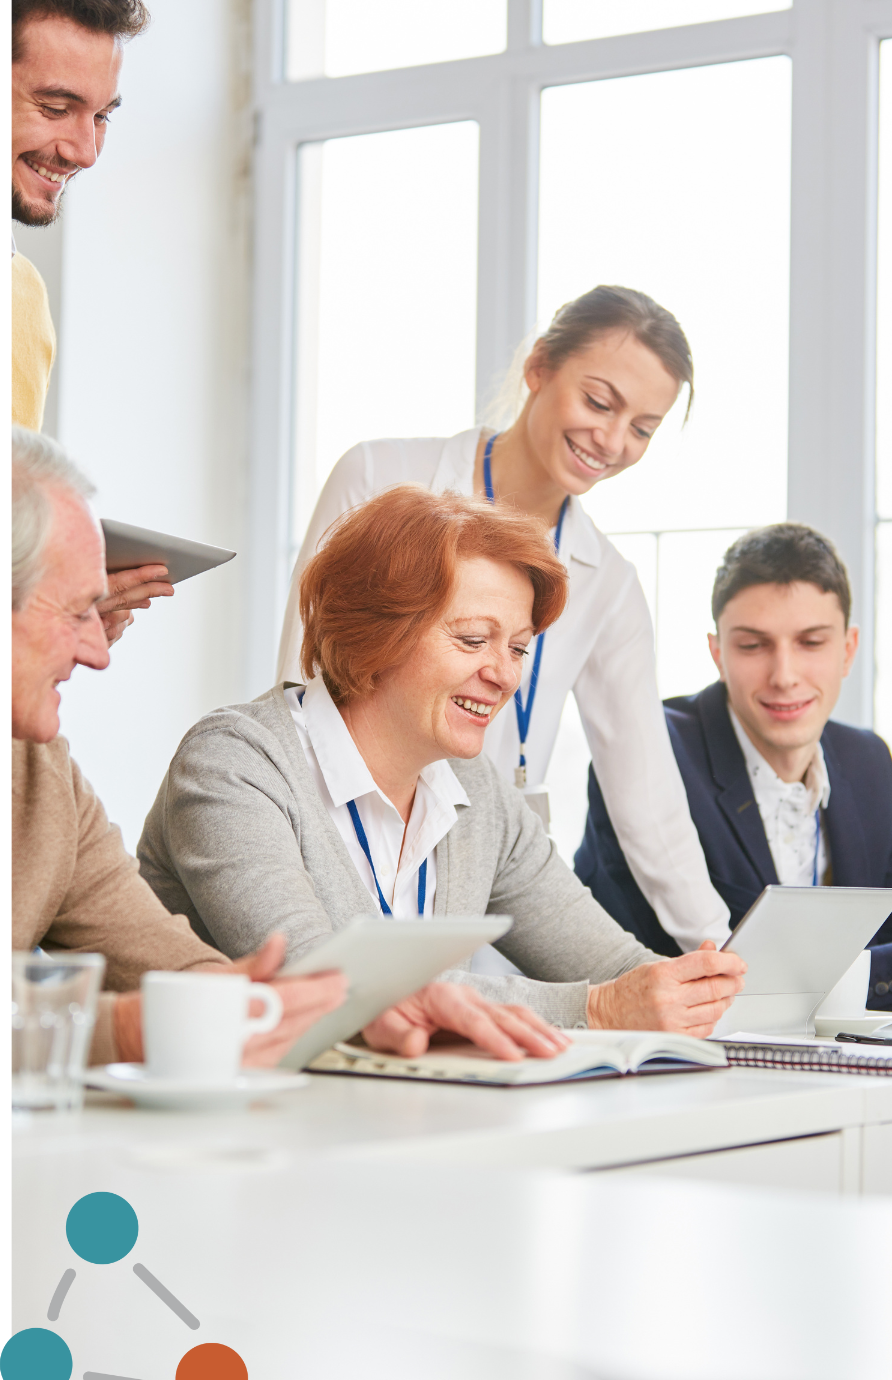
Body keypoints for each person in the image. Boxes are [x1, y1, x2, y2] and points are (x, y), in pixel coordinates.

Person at [139, 484, 746, 1045]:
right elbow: (321, 988)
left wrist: (690, 990)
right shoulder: (236, 763)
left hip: (388, 1124)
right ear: (375, 631)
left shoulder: (475, 791)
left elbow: (612, 967)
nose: (504, 674)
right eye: (473, 640)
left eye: (517, 648)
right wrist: (596, 1010)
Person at [278, 286, 732, 958]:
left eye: (641, 428)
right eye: (599, 402)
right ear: (538, 367)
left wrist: (715, 948)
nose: (610, 440)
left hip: (480, 880)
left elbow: (646, 791)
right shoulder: (378, 475)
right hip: (343, 854)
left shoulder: (607, 582)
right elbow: (299, 686)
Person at [10, 425, 351, 1069]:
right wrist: (126, 1033)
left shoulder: (43, 774)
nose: (98, 652)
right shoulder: (237, 759)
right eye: (79, 612)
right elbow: (138, 1017)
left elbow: (156, 953)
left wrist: (289, 1005)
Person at [575, 523, 892, 1009]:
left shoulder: (866, 761)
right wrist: (875, 972)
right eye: (752, 646)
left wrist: (853, 976)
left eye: (811, 643)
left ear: (847, 650)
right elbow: (672, 970)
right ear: (717, 652)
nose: (784, 676)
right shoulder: (647, 756)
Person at [11, 0, 171, 644]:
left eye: (101, 116)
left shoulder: (21, 296)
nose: (85, 150)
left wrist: (58, 610)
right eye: (54, 108)